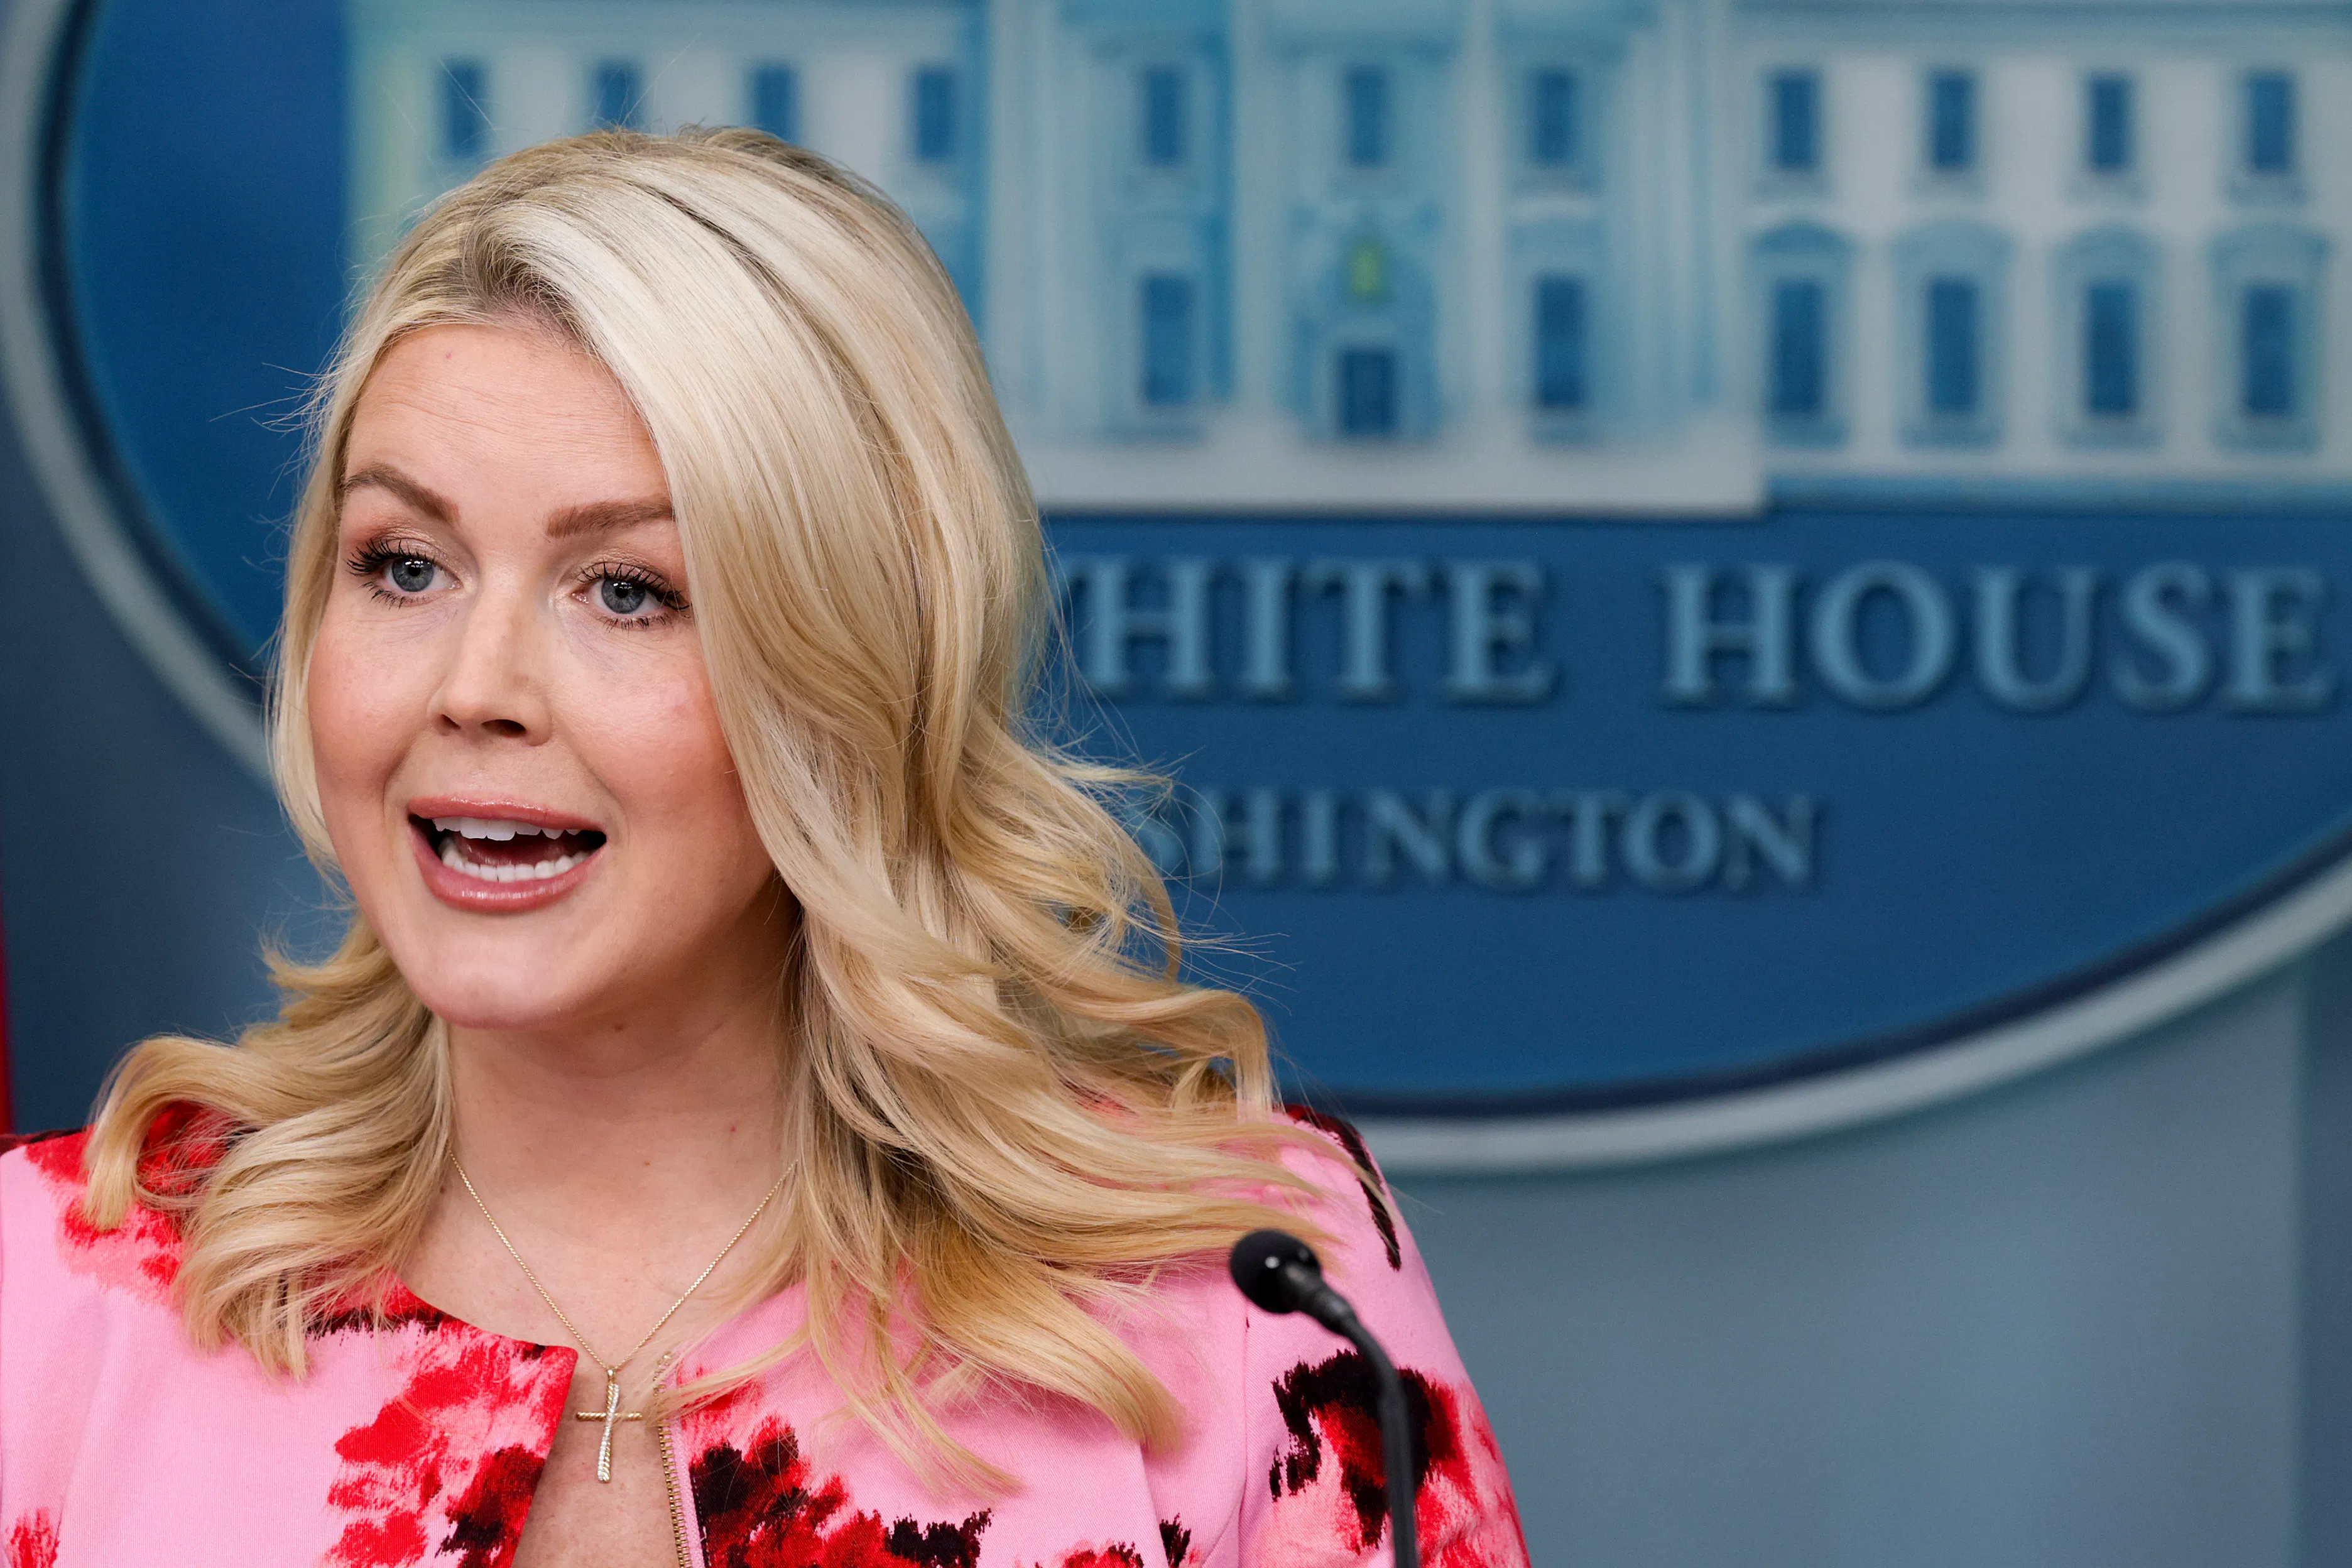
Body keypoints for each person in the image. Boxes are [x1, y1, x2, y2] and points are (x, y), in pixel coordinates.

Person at [0, 129, 1525, 1568]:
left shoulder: (1252, 1293)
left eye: (628, 591)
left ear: (849, 667)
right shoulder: (43, 1298)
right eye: (405, 565)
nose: (474, 688)